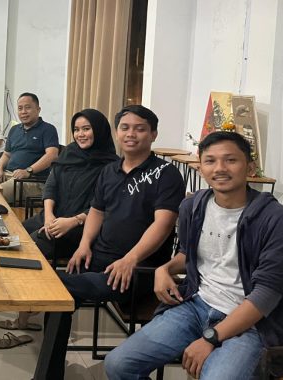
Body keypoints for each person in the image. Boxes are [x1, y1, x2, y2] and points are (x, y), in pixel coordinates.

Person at [105, 131, 283, 380]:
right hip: (196, 305)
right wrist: (165, 269)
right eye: (210, 161)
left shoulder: (273, 218)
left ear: (250, 167)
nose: (220, 168)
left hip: (248, 322)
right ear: (200, 168)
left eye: (230, 160)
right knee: (119, 364)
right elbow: (189, 254)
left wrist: (211, 337)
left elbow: (266, 295)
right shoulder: (193, 206)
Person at [38, 105, 186, 379]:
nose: (131, 134)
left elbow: (163, 224)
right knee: (57, 296)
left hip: (137, 270)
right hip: (98, 259)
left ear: (153, 134)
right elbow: (97, 211)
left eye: (140, 129)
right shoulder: (110, 171)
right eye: (125, 128)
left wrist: (131, 259)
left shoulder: (166, 174)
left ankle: (47, 375)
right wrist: (84, 245)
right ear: (117, 133)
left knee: (57, 287)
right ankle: (50, 370)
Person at [0, 109, 118, 332]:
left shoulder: (111, 166)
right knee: (14, 241)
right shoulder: (69, 152)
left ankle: (27, 315)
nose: (80, 134)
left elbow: (103, 206)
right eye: (77, 129)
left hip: (82, 227)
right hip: (53, 216)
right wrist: (50, 214)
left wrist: (73, 221)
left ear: (99, 130)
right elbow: (51, 185)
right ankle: (27, 302)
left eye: (86, 129)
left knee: (33, 248)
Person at [0, 92, 60, 204]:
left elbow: (52, 155)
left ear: (38, 110)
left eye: (27, 108)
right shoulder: (14, 129)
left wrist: (28, 171)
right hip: (8, 175)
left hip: (31, 180)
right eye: (20, 108)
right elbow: (6, 154)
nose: (23, 112)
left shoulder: (48, 129)